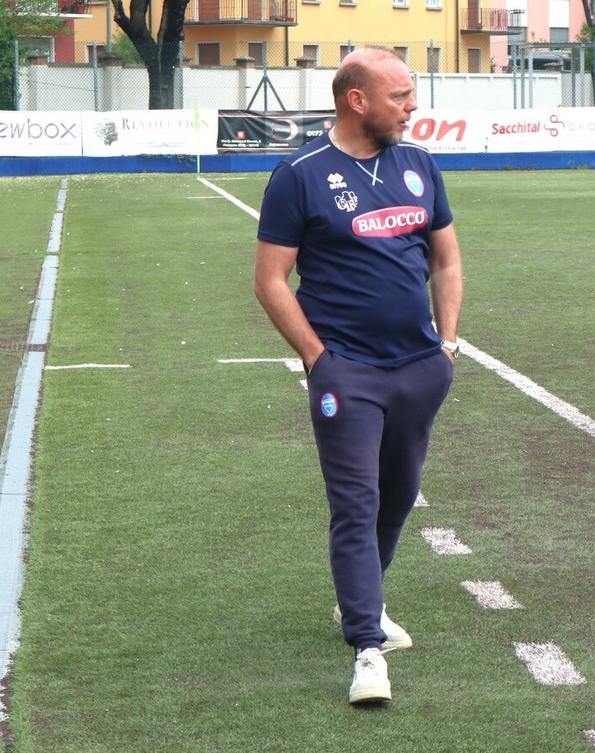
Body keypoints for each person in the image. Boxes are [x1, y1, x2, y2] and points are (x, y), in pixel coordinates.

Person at [253, 46, 463, 705]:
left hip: (420, 368)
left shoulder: (419, 164)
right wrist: (320, 359)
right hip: (348, 374)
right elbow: (270, 280)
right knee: (356, 502)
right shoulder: (299, 175)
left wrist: (447, 345)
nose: (412, 106)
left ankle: (359, 601)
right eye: (400, 95)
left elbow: (447, 260)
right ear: (357, 100)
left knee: (398, 497)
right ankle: (367, 647)